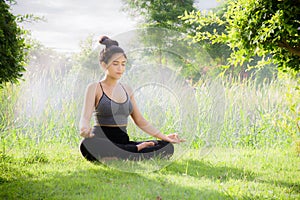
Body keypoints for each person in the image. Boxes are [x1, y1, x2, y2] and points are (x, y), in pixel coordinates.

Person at [79, 36, 185, 162]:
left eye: (123, 64)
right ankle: (133, 151)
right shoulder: (94, 88)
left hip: (123, 141)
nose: (120, 68)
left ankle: (124, 153)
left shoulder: (127, 89)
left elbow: (140, 120)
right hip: (101, 139)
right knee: (87, 144)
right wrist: (84, 128)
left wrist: (165, 138)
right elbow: (85, 118)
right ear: (104, 65)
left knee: (167, 147)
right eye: (115, 64)